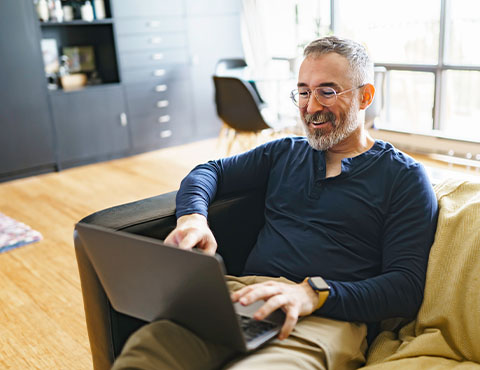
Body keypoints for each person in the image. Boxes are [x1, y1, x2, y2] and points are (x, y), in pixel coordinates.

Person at [112, 36, 438, 370]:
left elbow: (405, 286)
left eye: (327, 91)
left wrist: (314, 293)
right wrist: (192, 218)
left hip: (326, 317)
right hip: (242, 297)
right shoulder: (284, 151)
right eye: (304, 91)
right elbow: (210, 172)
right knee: (147, 352)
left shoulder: (404, 176)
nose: (310, 108)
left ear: (365, 95)